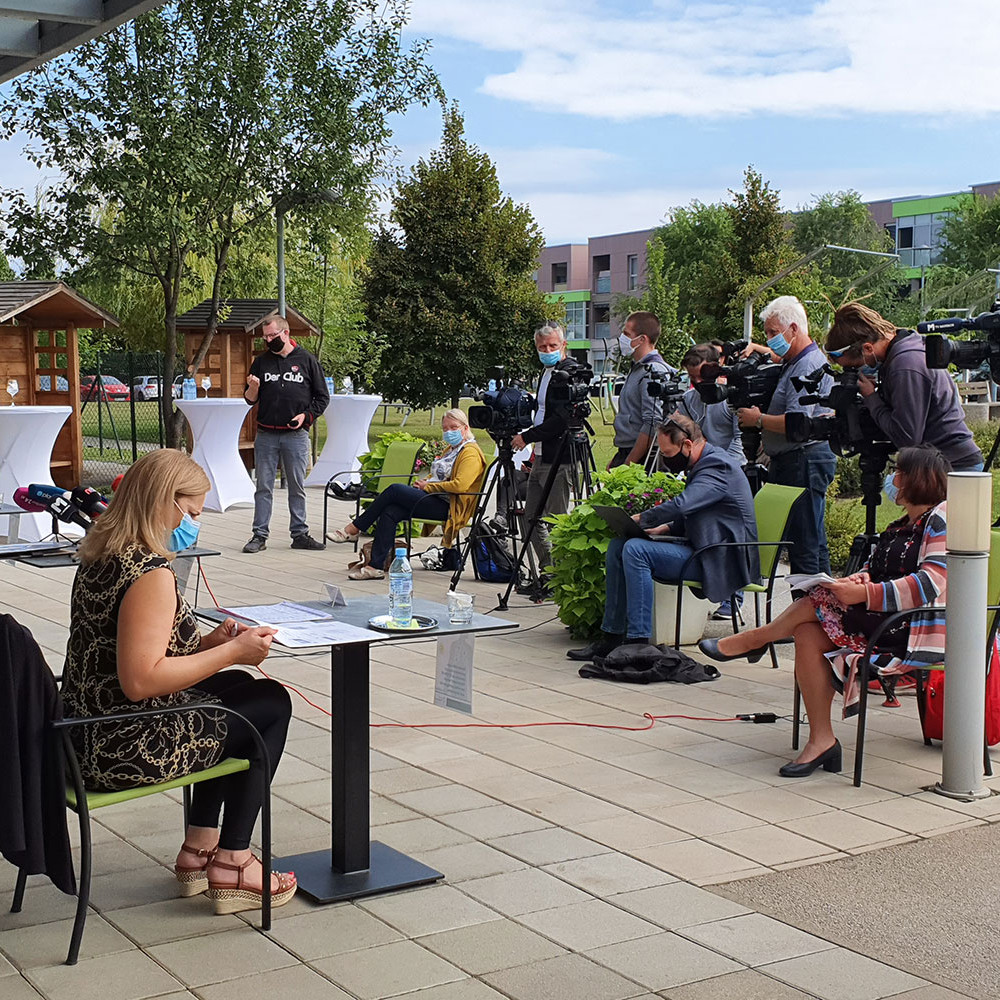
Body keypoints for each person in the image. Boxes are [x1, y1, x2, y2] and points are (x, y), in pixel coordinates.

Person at [60, 449, 297, 913]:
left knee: (230, 695)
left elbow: (130, 652)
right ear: (162, 502)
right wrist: (233, 652)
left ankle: (198, 851)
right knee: (271, 703)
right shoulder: (150, 573)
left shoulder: (101, 553)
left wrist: (211, 643)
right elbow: (141, 680)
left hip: (80, 732)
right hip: (121, 747)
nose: (192, 524)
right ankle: (232, 861)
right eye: (189, 512)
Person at [700, 445, 949, 778]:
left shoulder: (941, 519)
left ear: (915, 479)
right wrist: (862, 577)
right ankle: (822, 740)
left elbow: (930, 582)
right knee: (807, 630)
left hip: (908, 629)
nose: (894, 479)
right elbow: (880, 570)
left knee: (814, 602)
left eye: (899, 473)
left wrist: (863, 591)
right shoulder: (904, 524)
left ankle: (754, 639)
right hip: (879, 619)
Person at [567, 413, 759, 660]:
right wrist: (664, 529)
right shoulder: (703, 462)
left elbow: (683, 504)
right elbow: (699, 510)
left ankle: (638, 642)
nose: (667, 461)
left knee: (636, 550)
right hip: (704, 548)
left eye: (668, 454)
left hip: (719, 558)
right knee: (618, 545)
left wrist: (641, 519)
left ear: (687, 444)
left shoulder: (717, 466)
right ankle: (611, 637)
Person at [736, 295, 838, 575]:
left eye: (773, 333)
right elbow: (778, 356)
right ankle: (820, 612)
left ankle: (809, 611)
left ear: (793, 329)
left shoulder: (806, 366)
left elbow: (798, 423)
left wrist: (758, 420)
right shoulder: (796, 360)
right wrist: (757, 349)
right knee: (811, 542)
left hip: (803, 460)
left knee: (805, 544)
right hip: (796, 461)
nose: (770, 339)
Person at [825, 301, 983, 470]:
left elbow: (907, 438)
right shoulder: (905, 347)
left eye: (855, 366)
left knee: (892, 489)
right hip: (942, 463)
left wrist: (871, 398)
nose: (858, 372)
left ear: (868, 348)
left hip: (953, 467)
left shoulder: (905, 365)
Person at [330, 409, 486, 580]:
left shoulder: (470, 452)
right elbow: (436, 474)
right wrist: (423, 483)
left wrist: (427, 487)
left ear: (465, 428)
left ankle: (354, 529)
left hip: (451, 506)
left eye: (453, 427)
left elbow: (460, 485)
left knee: (395, 490)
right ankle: (374, 566)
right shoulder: (452, 449)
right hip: (434, 498)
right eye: (445, 428)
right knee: (391, 511)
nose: (449, 432)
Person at [242, 314, 329, 553]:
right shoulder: (261, 362)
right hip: (266, 434)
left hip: (296, 435)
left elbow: (322, 397)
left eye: (273, 336)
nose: (269, 341)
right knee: (264, 486)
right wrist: (253, 387)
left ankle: (299, 533)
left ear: (286, 333)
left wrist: (306, 417)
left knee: (296, 485)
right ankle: (259, 535)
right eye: (266, 337)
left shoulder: (307, 360)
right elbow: (250, 399)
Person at [679, 343, 747, 621]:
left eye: (700, 377)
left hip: (732, 473)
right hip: (702, 475)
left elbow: (740, 438)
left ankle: (735, 599)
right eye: (691, 378)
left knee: (732, 537)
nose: (696, 383)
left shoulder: (731, 397)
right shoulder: (690, 399)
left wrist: (721, 466)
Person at [511, 321, 579, 573]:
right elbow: (542, 409)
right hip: (540, 456)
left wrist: (527, 436)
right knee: (530, 517)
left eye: (552, 345)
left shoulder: (568, 372)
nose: (547, 350)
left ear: (563, 345)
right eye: (542, 346)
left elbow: (561, 419)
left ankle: (561, 573)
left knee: (556, 521)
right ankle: (548, 569)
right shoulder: (546, 372)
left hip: (560, 457)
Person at [608, 311, 673, 469]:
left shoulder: (653, 371)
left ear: (642, 339)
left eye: (626, 334)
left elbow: (652, 422)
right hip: (629, 451)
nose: (622, 339)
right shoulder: (639, 369)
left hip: (644, 458)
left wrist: (629, 463)